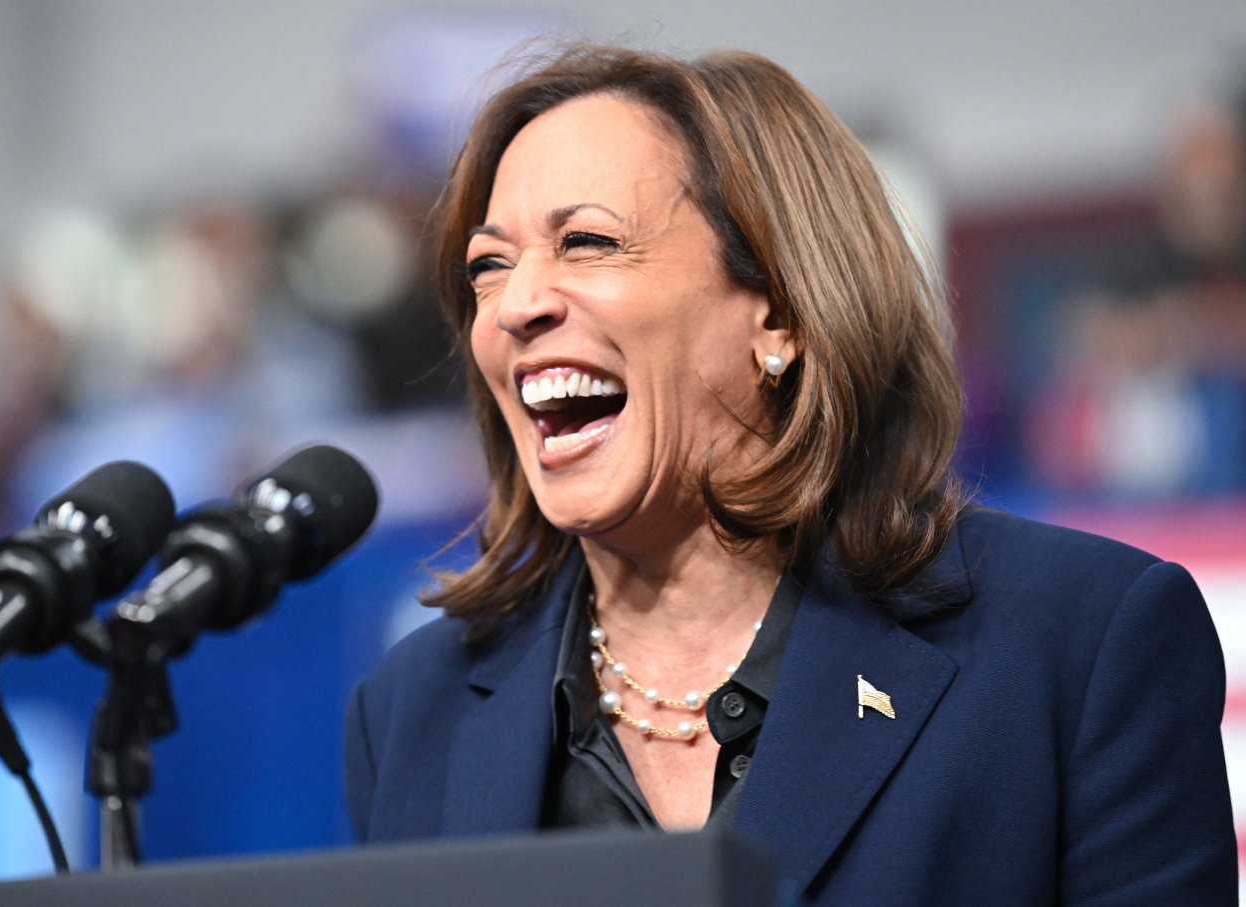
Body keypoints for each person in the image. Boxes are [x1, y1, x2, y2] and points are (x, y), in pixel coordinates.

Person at [343, 44, 1236, 905]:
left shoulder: (1079, 645)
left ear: (780, 311)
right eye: (487, 267)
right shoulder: (413, 715)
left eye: (586, 242)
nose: (515, 306)